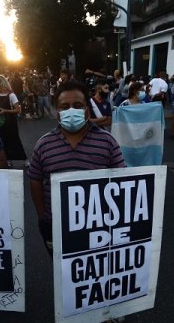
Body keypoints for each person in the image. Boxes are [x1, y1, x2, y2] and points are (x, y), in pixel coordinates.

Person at [27, 80, 125, 255]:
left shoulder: (107, 141)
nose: (70, 110)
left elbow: (122, 178)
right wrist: (43, 217)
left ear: (86, 109)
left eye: (77, 105)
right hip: (55, 224)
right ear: (57, 112)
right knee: (61, 270)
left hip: (98, 226)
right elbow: (35, 179)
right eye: (64, 106)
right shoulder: (43, 144)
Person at [0, 75, 27, 166]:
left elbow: (18, 110)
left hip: (11, 122)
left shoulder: (11, 95)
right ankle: (8, 160)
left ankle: (25, 160)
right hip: (0, 122)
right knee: (3, 141)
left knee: (15, 140)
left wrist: (6, 111)